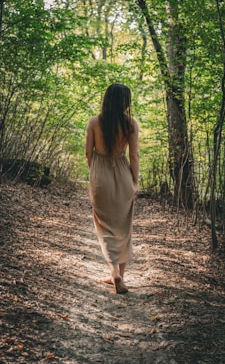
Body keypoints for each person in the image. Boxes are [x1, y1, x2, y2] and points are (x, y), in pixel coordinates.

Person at [85, 83, 139, 294]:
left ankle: (114, 274)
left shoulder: (94, 122)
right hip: (123, 175)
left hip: (100, 178)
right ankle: (121, 277)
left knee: (104, 228)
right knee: (124, 228)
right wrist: (134, 182)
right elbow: (133, 156)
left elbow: (88, 154)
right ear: (126, 102)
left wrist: (97, 174)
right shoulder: (130, 124)